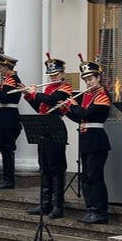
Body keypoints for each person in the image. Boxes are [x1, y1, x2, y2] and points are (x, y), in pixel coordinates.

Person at [25, 54, 72, 219]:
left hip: (56, 127)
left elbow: (52, 101)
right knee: (44, 166)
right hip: (44, 128)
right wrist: (28, 96)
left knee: (56, 168)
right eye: (51, 75)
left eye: (56, 74)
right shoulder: (48, 89)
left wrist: (34, 93)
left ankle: (58, 205)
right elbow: (41, 106)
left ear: (62, 74)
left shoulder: (65, 88)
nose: (53, 77)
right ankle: (45, 204)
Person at [66, 58, 111, 224]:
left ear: (98, 77)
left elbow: (87, 115)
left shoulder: (102, 96)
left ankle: (100, 212)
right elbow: (79, 118)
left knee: (95, 177)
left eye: (90, 79)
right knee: (86, 177)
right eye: (85, 80)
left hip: (97, 140)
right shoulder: (88, 96)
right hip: (86, 140)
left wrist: (72, 106)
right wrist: (67, 110)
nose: (87, 82)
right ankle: (90, 209)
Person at [0, 51, 22, 190]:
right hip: (6, 115)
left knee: (7, 148)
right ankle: (7, 178)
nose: (0, 69)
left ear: (6, 67)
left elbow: (4, 98)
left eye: (1, 67)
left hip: (9, 117)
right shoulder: (10, 79)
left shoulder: (11, 80)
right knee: (5, 148)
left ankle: (8, 180)